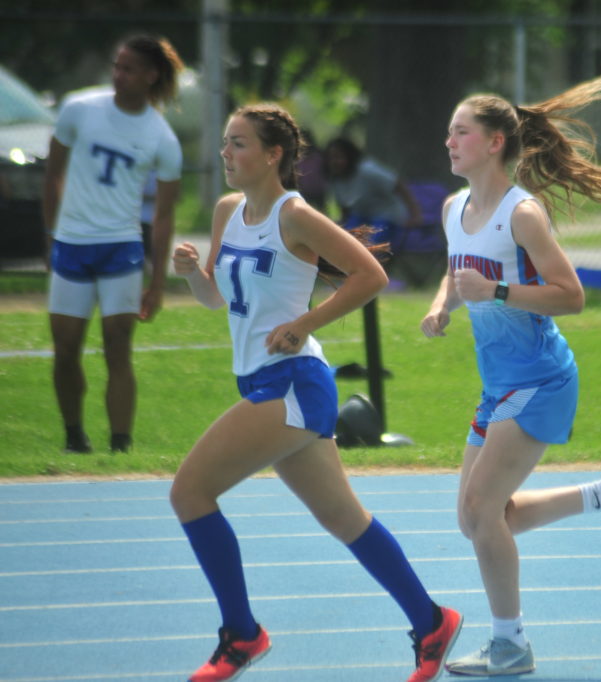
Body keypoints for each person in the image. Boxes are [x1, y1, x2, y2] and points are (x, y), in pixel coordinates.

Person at [169, 103, 461, 682]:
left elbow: (371, 275)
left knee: (190, 493)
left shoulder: (295, 215)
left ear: (273, 154)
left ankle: (242, 635)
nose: (225, 153)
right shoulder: (228, 211)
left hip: (293, 383)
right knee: (343, 517)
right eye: (225, 142)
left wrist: (305, 323)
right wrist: (191, 276)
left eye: (238, 143)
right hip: (262, 379)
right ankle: (431, 622)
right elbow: (218, 299)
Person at [420, 70, 601, 677]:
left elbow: (571, 296)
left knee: (482, 510)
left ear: (494, 142)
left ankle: (511, 644)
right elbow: (458, 271)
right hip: (499, 384)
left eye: (460, 131)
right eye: (448, 131)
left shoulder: (522, 214)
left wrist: (496, 291)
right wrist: (442, 304)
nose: (448, 141)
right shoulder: (454, 209)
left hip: (541, 380)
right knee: (476, 519)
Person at [42, 34, 183, 453]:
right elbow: (53, 174)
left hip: (121, 249)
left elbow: (164, 215)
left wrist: (157, 283)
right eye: (116, 66)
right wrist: (52, 235)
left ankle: (120, 445)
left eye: (128, 69)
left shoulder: (162, 137)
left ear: (151, 76)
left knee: (118, 348)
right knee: (66, 349)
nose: (118, 75)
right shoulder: (78, 108)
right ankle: (74, 437)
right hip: (71, 245)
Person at [324, 136, 422, 247]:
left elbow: (397, 184)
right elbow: (345, 208)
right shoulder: (335, 179)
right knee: (344, 240)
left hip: (387, 216)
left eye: (338, 157)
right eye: (330, 158)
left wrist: (416, 215)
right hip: (361, 216)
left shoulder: (367, 170)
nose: (334, 162)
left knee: (370, 244)